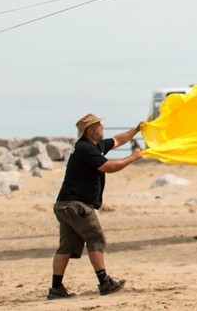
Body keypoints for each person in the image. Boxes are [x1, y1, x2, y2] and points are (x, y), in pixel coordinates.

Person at [48, 113, 142, 299]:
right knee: (96, 238)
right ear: (91, 130)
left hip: (64, 205)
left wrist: (136, 130)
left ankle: (56, 289)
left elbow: (117, 140)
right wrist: (133, 157)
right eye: (100, 126)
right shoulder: (85, 149)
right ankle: (104, 282)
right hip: (77, 205)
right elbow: (108, 167)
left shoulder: (92, 147)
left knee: (66, 247)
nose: (103, 128)